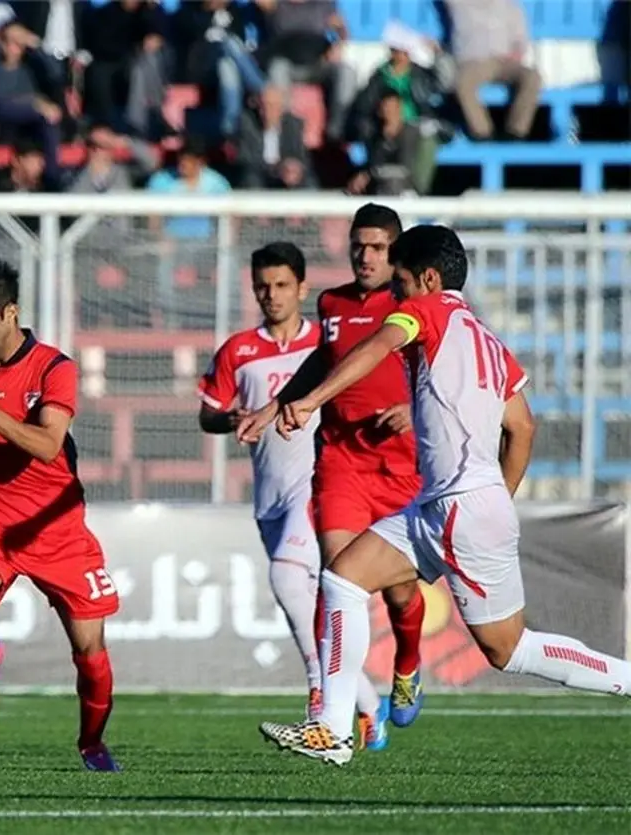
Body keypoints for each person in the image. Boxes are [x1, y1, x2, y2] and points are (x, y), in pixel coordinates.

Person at [258, 225, 631, 764]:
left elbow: (381, 344)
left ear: (428, 280)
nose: (397, 296)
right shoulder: (489, 340)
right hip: (457, 505)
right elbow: (523, 427)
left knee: (510, 649)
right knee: (343, 578)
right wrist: (494, 499)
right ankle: (334, 730)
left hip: (456, 508)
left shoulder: (428, 311)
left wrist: (313, 398)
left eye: (402, 283)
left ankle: (335, 728)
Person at [238, 204, 427, 741]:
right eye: (358, 246)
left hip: (401, 466)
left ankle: (408, 666)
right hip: (342, 462)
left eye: (377, 248)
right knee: (338, 579)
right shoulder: (334, 302)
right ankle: (330, 718)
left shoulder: (414, 306)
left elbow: (450, 372)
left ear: (396, 252)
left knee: (398, 595)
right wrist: (273, 408)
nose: (365, 257)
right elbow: (323, 362)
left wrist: (414, 409)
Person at [0, 257, 120, 772]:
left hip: (56, 528)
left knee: (91, 656)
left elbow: (47, 445)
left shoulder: (54, 367)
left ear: (11, 313)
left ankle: (92, 743)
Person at [198, 242, 332, 721]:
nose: (271, 295)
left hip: (317, 484)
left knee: (287, 577)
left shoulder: (325, 344)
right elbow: (208, 416)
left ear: (302, 288)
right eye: (263, 286)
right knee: (318, 600)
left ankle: (320, 692)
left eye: (281, 285)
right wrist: (230, 417)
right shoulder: (239, 349)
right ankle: (364, 706)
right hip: (269, 496)